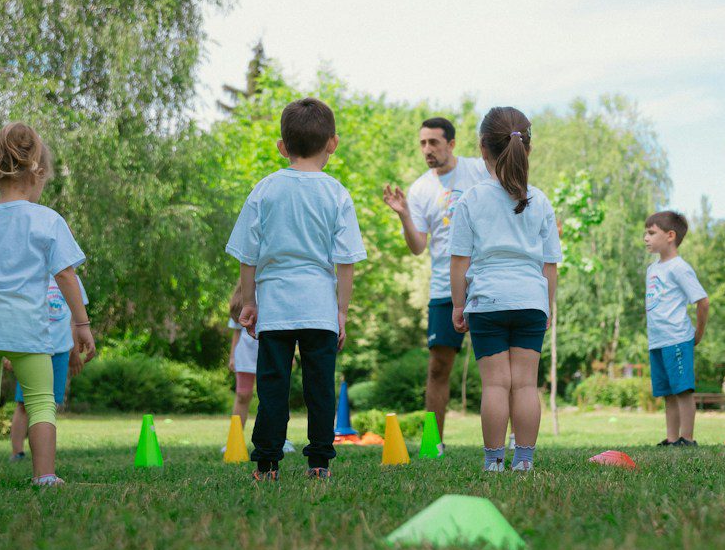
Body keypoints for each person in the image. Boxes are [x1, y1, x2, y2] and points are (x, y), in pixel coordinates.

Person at [0, 123, 94, 487]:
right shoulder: (47, 220)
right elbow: (67, 276)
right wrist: (82, 324)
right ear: (38, 172)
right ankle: (44, 476)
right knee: (42, 402)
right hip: (25, 327)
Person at [229, 97, 366, 481]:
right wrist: (341, 311)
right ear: (332, 143)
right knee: (319, 389)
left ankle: (267, 464)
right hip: (319, 307)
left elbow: (247, 254)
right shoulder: (336, 193)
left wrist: (250, 302)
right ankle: (319, 463)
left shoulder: (264, 190)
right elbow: (346, 261)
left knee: (272, 388)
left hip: (275, 306)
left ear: (282, 147)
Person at [447, 106, 561, 473]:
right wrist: (548, 307)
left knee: (496, 385)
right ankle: (524, 461)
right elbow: (549, 265)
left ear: (483, 148)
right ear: (527, 148)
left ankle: (494, 461)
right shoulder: (540, 201)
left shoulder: (470, 200)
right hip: (531, 300)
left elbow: (460, 261)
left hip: (488, 301)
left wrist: (457, 305)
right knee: (526, 385)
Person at [382, 116, 490, 453]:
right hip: (445, 286)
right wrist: (402, 214)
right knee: (438, 365)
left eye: (434, 142)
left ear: (452, 144)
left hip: (487, 280)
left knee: (499, 364)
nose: (427, 149)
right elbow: (417, 246)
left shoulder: (479, 170)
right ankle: (433, 442)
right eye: (423, 143)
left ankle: (512, 440)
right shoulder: (420, 189)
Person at [643, 210, 708, 448]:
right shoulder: (653, 269)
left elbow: (702, 301)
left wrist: (697, 334)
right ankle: (672, 439)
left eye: (651, 233)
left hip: (677, 339)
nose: (646, 238)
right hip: (658, 340)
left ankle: (687, 438)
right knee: (668, 392)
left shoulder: (679, 267)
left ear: (670, 235)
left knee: (682, 390)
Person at [11, 273, 89, 463]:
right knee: (24, 404)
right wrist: (12, 350)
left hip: (61, 350)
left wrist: (74, 351)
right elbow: (19, 315)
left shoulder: (72, 279)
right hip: (33, 349)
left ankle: (43, 453)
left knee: (50, 404)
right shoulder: (31, 274)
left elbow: (75, 320)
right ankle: (17, 452)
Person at [227, 314, 259, 419]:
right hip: (245, 351)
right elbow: (237, 330)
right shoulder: (241, 298)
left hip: (271, 349)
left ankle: (273, 434)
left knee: (273, 394)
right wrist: (232, 356)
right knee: (242, 395)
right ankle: (236, 434)